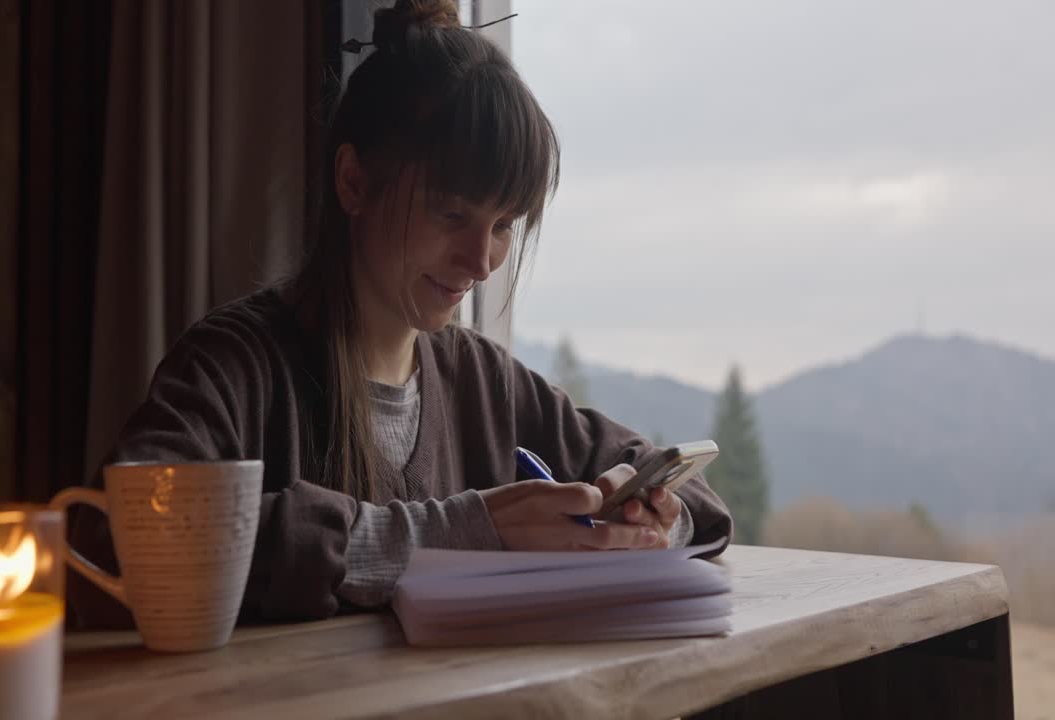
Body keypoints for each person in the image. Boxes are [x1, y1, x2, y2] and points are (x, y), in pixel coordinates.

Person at [71, 0, 732, 627]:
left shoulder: (485, 383)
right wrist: (466, 533)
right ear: (353, 182)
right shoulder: (235, 365)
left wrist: (644, 520)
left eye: (503, 225)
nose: (481, 261)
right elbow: (110, 539)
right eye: (452, 213)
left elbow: (701, 504)